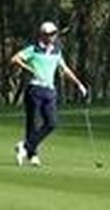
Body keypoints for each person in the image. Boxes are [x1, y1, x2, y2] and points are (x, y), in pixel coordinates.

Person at [9, 21, 87, 167]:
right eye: (49, 34)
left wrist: (79, 84)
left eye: (54, 34)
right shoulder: (33, 49)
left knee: (52, 123)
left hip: (50, 91)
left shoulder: (56, 51)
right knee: (33, 124)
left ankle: (25, 146)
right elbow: (15, 59)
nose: (52, 37)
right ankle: (33, 155)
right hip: (34, 89)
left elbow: (65, 69)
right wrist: (29, 69)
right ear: (42, 35)